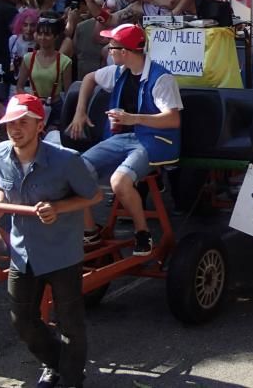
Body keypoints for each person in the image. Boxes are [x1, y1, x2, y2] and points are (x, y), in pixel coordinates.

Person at [0, 93, 102, 388]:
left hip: (62, 253)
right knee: (22, 319)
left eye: (23, 122)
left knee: (70, 323)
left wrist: (57, 208)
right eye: (10, 123)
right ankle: (56, 363)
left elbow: (94, 195)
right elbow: (2, 193)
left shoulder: (66, 160)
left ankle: (72, 380)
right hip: (23, 252)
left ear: (40, 125)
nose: (15, 129)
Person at [67, 24, 182, 256]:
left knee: (119, 182)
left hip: (154, 140)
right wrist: (80, 112)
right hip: (123, 138)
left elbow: (173, 120)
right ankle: (90, 231)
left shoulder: (162, 78)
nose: (109, 50)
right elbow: (89, 78)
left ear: (125, 51)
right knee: (73, 170)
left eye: (113, 46)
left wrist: (132, 119)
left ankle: (142, 233)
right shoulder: (119, 71)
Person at [15, 13, 73, 130]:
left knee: (53, 137)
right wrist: (30, 98)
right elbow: (19, 86)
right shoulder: (28, 58)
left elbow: (68, 93)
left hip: (55, 106)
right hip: (33, 104)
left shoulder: (64, 61)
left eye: (47, 34)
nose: (42, 38)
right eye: (40, 34)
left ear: (55, 36)